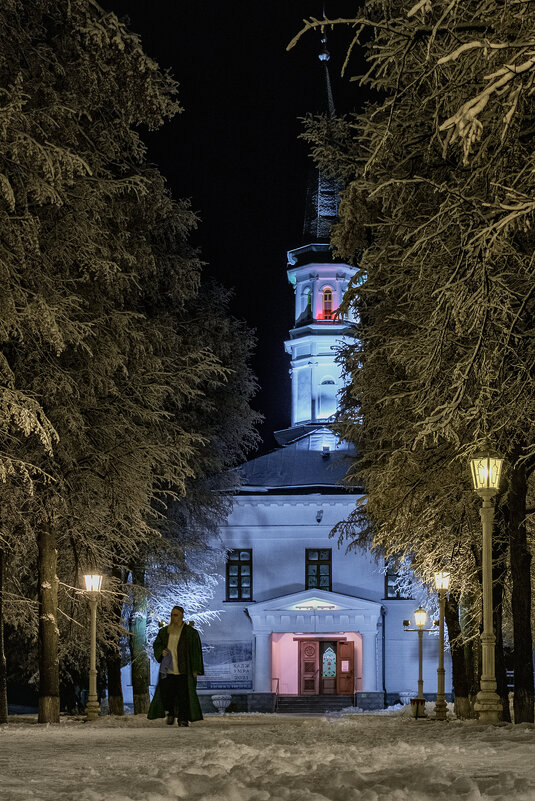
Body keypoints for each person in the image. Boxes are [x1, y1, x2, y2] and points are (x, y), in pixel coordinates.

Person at [147, 606, 204, 726]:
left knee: (183, 695)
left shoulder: (190, 633)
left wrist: (196, 669)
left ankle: (183, 718)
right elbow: (157, 645)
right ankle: (171, 713)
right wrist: (161, 651)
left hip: (183, 669)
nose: (174, 618)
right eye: (172, 615)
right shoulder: (164, 631)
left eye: (176, 615)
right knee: (168, 694)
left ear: (182, 615)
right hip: (167, 669)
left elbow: (196, 651)